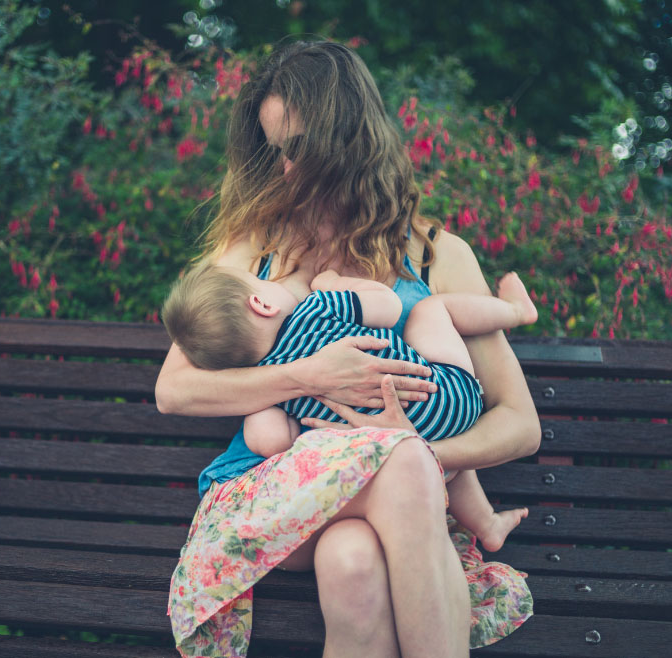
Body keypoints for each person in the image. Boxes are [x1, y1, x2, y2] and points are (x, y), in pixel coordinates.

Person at [158, 39, 541, 658]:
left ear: (350, 137)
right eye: (274, 151)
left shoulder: (439, 256)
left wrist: (410, 447)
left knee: (353, 561)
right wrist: (313, 375)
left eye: (299, 148)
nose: (284, 170)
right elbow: (173, 390)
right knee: (404, 469)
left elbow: (520, 425)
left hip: (383, 505)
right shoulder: (254, 248)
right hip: (270, 499)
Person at [162, 263, 537, 551]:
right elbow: (389, 306)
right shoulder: (316, 307)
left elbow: (271, 441)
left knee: (421, 441)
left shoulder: (268, 385)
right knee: (431, 310)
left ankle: (486, 525)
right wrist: (333, 283)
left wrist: (276, 407)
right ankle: (517, 312)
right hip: (450, 396)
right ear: (261, 303)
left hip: (397, 448)